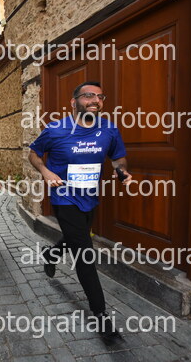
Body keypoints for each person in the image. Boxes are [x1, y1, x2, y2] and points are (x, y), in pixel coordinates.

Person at [28, 81, 132, 338]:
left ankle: (51, 254)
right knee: (85, 252)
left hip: (90, 197)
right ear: (74, 102)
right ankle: (101, 315)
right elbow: (34, 154)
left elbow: (117, 157)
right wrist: (46, 171)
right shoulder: (55, 129)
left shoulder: (109, 129)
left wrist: (121, 171)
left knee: (78, 238)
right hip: (64, 198)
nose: (95, 100)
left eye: (100, 96)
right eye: (88, 96)